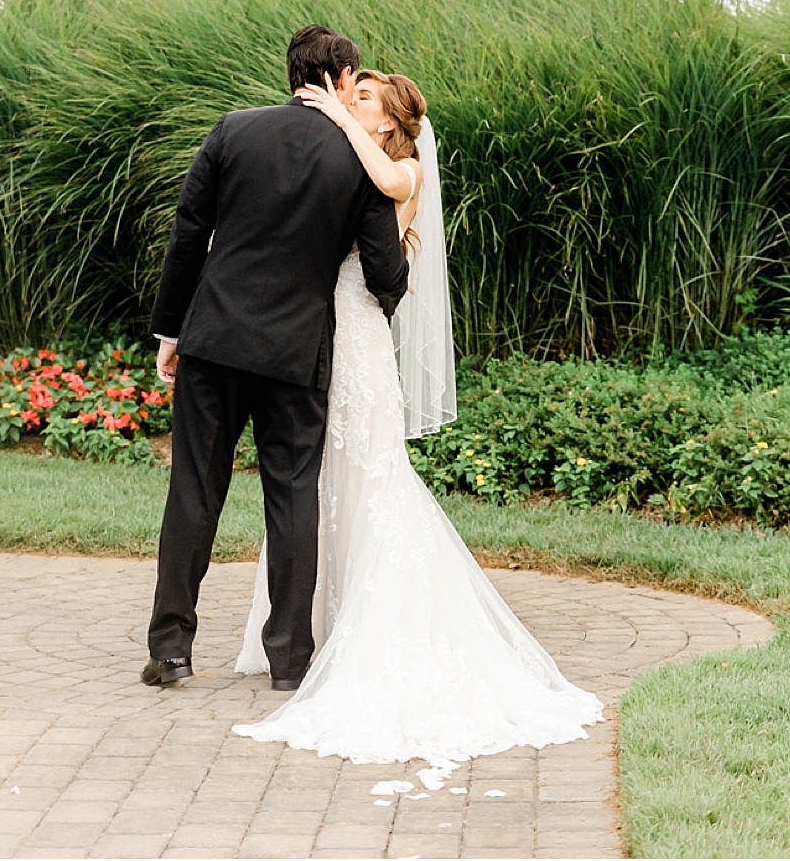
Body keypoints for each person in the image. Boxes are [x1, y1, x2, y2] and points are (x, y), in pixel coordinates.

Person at [232, 68, 604, 766]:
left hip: (358, 338)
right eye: (353, 93)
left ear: (389, 123)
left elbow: (377, 186)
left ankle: (374, 627)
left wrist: (340, 123)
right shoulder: (352, 160)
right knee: (314, 481)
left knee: (371, 475)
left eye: (363, 97)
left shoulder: (402, 171)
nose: (350, 101)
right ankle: (307, 626)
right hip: (315, 332)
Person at [142, 26, 409, 692]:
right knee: (291, 499)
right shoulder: (357, 157)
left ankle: (170, 650)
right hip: (297, 352)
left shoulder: (232, 131)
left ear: (291, 71)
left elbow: (187, 233)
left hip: (213, 340)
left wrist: (170, 332)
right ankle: (290, 660)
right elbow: (383, 272)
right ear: (343, 78)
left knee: (193, 492)